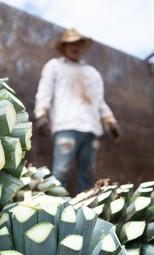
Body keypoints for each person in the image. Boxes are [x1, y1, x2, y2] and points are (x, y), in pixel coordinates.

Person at [34, 28, 121, 194]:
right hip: (67, 125)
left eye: (78, 44)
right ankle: (53, 212)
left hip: (91, 128)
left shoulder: (92, 73)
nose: (75, 47)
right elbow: (45, 91)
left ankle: (84, 215)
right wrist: (41, 114)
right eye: (71, 44)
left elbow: (99, 101)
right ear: (64, 46)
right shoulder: (54, 66)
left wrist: (110, 121)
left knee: (88, 176)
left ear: (81, 46)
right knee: (61, 171)